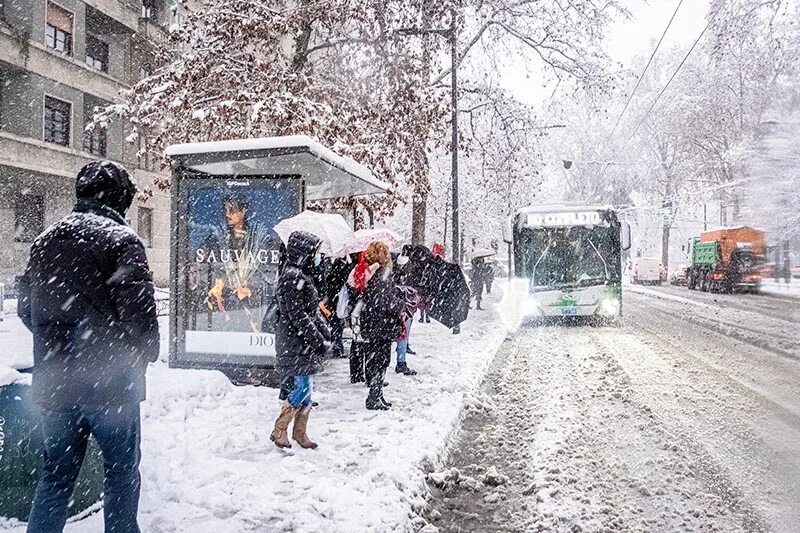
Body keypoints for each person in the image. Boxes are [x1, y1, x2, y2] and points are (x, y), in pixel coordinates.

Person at [18, 160, 159, 533]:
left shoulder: (43, 242)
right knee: (121, 475)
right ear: (121, 199)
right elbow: (140, 316)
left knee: (55, 477)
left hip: (55, 382)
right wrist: (139, 353)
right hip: (110, 386)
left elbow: (26, 309)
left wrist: (57, 340)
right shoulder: (122, 241)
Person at [271, 231, 331, 449]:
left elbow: (311, 312)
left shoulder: (299, 275)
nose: (315, 256)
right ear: (302, 253)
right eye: (313, 252)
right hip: (294, 342)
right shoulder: (291, 278)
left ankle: (300, 433)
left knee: (307, 388)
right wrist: (317, 339)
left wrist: (323, 334)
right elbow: (299, 316)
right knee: (303, 387)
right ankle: (280, 429)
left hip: (300, 342)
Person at [356, 242, 405, 410]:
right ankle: (374, 396)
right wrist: (400, 303)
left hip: (371, 322)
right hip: (382, 323)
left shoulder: (368, 271)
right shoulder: (382, 273)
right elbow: (386, 301)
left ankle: (377, 394)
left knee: (375, 358)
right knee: (382, 360)